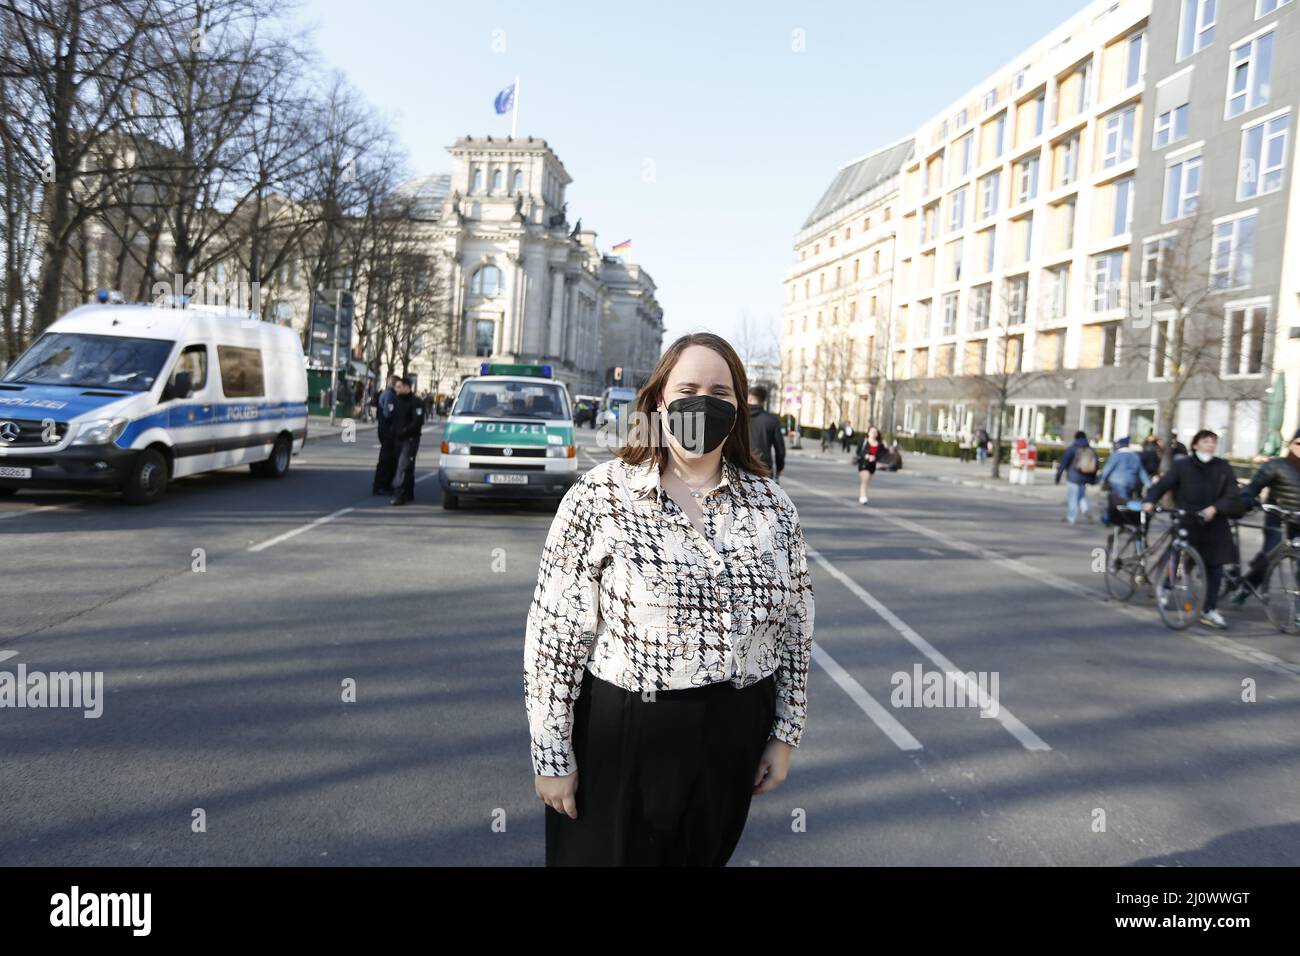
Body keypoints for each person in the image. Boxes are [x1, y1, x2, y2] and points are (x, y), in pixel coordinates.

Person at [525, 332, 814, 867]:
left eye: (720, 392)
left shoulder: (773, 507)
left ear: (740, 406)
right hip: (624, 731)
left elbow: (795, 626)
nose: (704, 402)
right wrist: (551, 752)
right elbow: (555, 634)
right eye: (687, 388)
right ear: (659, 401)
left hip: (732, 732)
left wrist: (784, 734)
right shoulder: (601, 496)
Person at [1142, 429, 1245, 630]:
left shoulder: (1222, 467)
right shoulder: (1183, 466)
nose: (1210, 445)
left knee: (1215, 568)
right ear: (1195, 444)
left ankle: (1209, 609)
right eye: (1206, 441)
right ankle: (1166, 587)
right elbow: (1163, 485)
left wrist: (1216, 508)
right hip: (1188, 520)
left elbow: (1232, 493)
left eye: (1213, 442)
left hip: (1215, 523)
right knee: (1180, 561)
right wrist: (1149, 500)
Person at [1231, 429, 1300, 608]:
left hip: (1298, 522)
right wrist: (1247, 499)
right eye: (1299, 444)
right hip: (1278, 520)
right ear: (1291, 444)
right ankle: (1246, 589)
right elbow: (1254, 486)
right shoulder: (1276, 465)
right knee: (1269, 558)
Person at [388, 376, 425, 505]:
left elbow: (418, 422)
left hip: (409, 439)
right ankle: (408, 492)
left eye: (399, 387)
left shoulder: (416, 402)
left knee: (402, 467)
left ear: (407, 387)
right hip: (397, 439)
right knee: (406, 466)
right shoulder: (396, 400)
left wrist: (405, 431)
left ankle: (398, 494)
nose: (395, 389)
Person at [1098, 436, 1150, 526]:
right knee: (1124, 500)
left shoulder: (1116, 455)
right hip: (1131, 482)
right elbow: (1141, 471)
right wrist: (1148, 484)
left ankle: (1112, 518)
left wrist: (1102, 479)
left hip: (1116, 481)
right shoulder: (1135, 456)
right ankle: (1116, 518)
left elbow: (1108, 469)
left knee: (1118, 501)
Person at [1055, 430, 1100, 524]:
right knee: (1081, 496)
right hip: (1085, 478)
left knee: (1073, 498)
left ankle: (1071, 517)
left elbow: (1063, 463)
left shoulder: (1072, 448)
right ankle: (1086, 510)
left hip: (1073, 477)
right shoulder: (1090, 449)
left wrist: (1058, 477)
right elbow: (1096, 465)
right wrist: (1092, 479)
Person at [747, 385, 786, 483]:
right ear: (764, 401)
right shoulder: (772, 420)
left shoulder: (739, 417)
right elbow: (780, 449)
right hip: (764, 467)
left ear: (749, 397)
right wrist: (779, 467)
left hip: (740, 465)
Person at [371, 374, 398, 495]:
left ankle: (385, 484)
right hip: (387, 431)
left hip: (385, 430)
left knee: (390, 459)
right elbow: (388, 413)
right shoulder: (389, 395)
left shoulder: (389, 394)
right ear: (393, 384)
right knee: (385, 459)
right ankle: (379, 485)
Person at [855, 427, 884, 505]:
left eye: (875, 432)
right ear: (868, 433)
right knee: (865, 479)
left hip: (872, 465)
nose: (873, 433)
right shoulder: (864, 442)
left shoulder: (880, 444)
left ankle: (863, 495)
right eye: (872, 432)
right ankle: (863, 496)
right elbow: (858, 452)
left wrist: (875, 458)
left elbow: (882, 455)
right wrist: (866, 456)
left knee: (867, 481)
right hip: (864, 463)